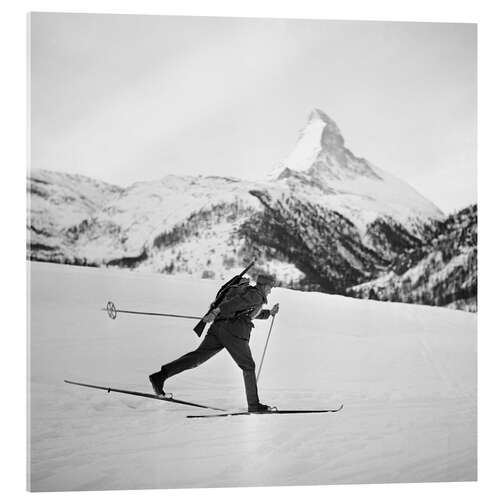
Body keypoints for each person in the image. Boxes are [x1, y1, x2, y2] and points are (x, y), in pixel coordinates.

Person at [149, 274, 279, 412]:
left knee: (196, 358)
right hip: (234, 333)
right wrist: (216, 311)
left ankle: (160, 377)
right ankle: (254, 405)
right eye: (270, 287)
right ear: (264, 286)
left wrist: (269, 313)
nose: (270, 290)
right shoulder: (256, 295)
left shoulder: (250, 293)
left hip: (218, 328)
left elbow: (245, 311)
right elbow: (235, 305)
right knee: (248, 366)